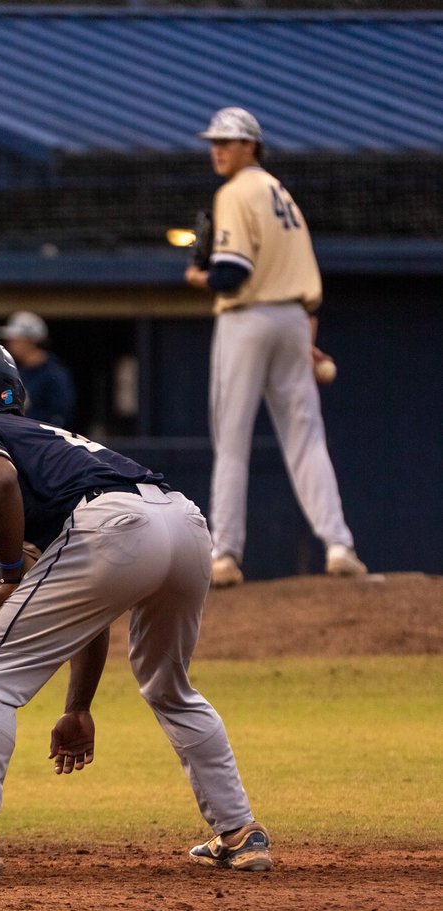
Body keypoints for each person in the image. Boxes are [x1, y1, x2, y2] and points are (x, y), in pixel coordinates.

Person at [0, 340, 272, 877]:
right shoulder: (50, 438)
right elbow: (90, 605)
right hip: (184, 523)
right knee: (171, 688)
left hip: (110, 524)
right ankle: (240, 832)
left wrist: (8, 574)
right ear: (15, 391)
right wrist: (78, 706)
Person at [184, 106, 367, 588]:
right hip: (294, 319)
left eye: (227, 142)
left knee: (232, 439)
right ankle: (339, 545)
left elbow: (232, 274)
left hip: (247, 319)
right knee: (306, 438)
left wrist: (199, 276)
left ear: (251, 146)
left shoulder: (235, 192)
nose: (217, 150)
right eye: (214, 143)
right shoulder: (282, 194)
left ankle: (225, 553)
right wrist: (307, 341)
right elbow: (306, 282)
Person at [0, 311, 76, 427]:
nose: (10, 344)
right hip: (16, 432)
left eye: (15, 340)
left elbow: (60, 414)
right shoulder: (14, 371)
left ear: (30, 341)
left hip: (40, 435)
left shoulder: (54, 374)